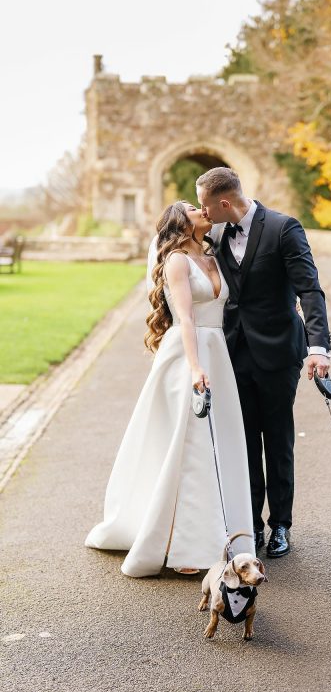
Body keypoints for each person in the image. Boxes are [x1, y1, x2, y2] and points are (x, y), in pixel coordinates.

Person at [85, 201, 254, 577]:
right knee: (189, 446)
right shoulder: (177, 260)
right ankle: (186, 544)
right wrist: (196, 367)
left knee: (216, 445)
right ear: (181, 221)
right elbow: (186, 316)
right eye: (195, 208)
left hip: (217, 354)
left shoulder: (212, 255)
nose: (204, 210)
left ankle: (219, 530)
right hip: (185, 355)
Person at [195, 167, 331, 558]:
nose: (203, 213)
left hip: (278, 354)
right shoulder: (216, 234)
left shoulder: (284, 228)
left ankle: (281, 526)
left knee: (278, 440)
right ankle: (249, 525)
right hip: (232, 354)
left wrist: (319, 347)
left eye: (205, 205)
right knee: (243, 442)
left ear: (224, 203)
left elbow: (309, 288)